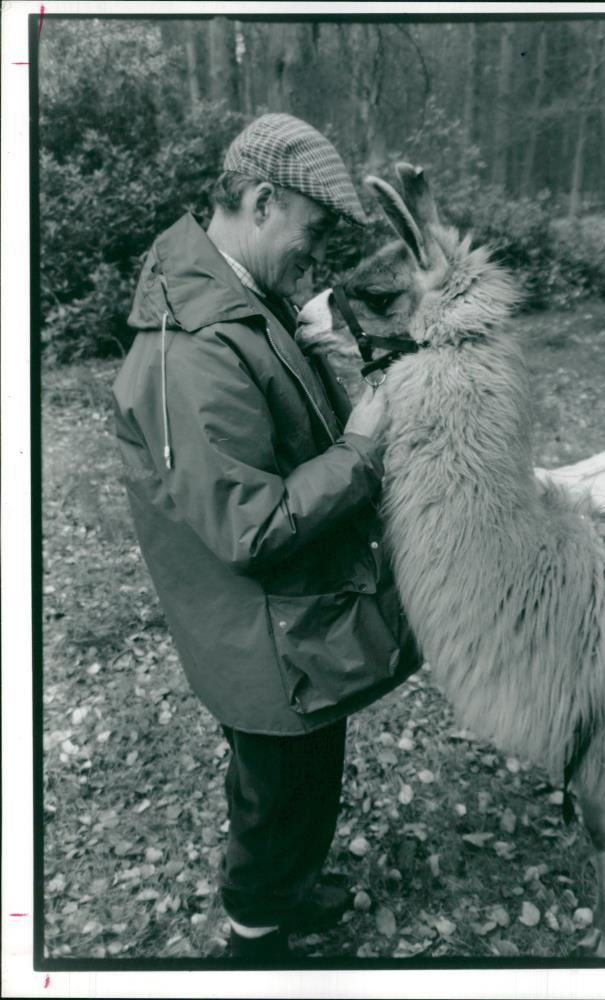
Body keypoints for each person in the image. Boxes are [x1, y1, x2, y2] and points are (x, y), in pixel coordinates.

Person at [112, 113, 420, 960]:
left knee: (308, 774)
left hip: (292, 626)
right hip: (261, 639)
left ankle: (285, 888)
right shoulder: (192, 349)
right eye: (311, 232)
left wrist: (324, 350)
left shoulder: (244, 302)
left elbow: (282, 433)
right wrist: (362, 446)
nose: (315, 258)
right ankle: (256, 936)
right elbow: (248, 525)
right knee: (276, 790)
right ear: (258, 201)